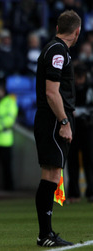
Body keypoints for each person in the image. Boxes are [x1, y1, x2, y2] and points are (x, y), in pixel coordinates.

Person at [34, 10, 81, 247]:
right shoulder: (58, 51)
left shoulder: (55, 49)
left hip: (51, 119)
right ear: (77, 31)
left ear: (56, 28)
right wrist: (64, 122)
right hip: (53, 120)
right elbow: (51, 92)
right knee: (51, 174)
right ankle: (45, 235)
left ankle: (46, 233)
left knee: (51, 175)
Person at [67, 62, 93, 203]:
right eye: (76, 77)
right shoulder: (70, 88)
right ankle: (74, 193)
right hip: (73, 128)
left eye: (80, 77)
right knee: (72, 161)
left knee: (89, 160)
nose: (78, 80)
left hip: (87, 127)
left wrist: (80, 112)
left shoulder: (90, 88)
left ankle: (91, 191)